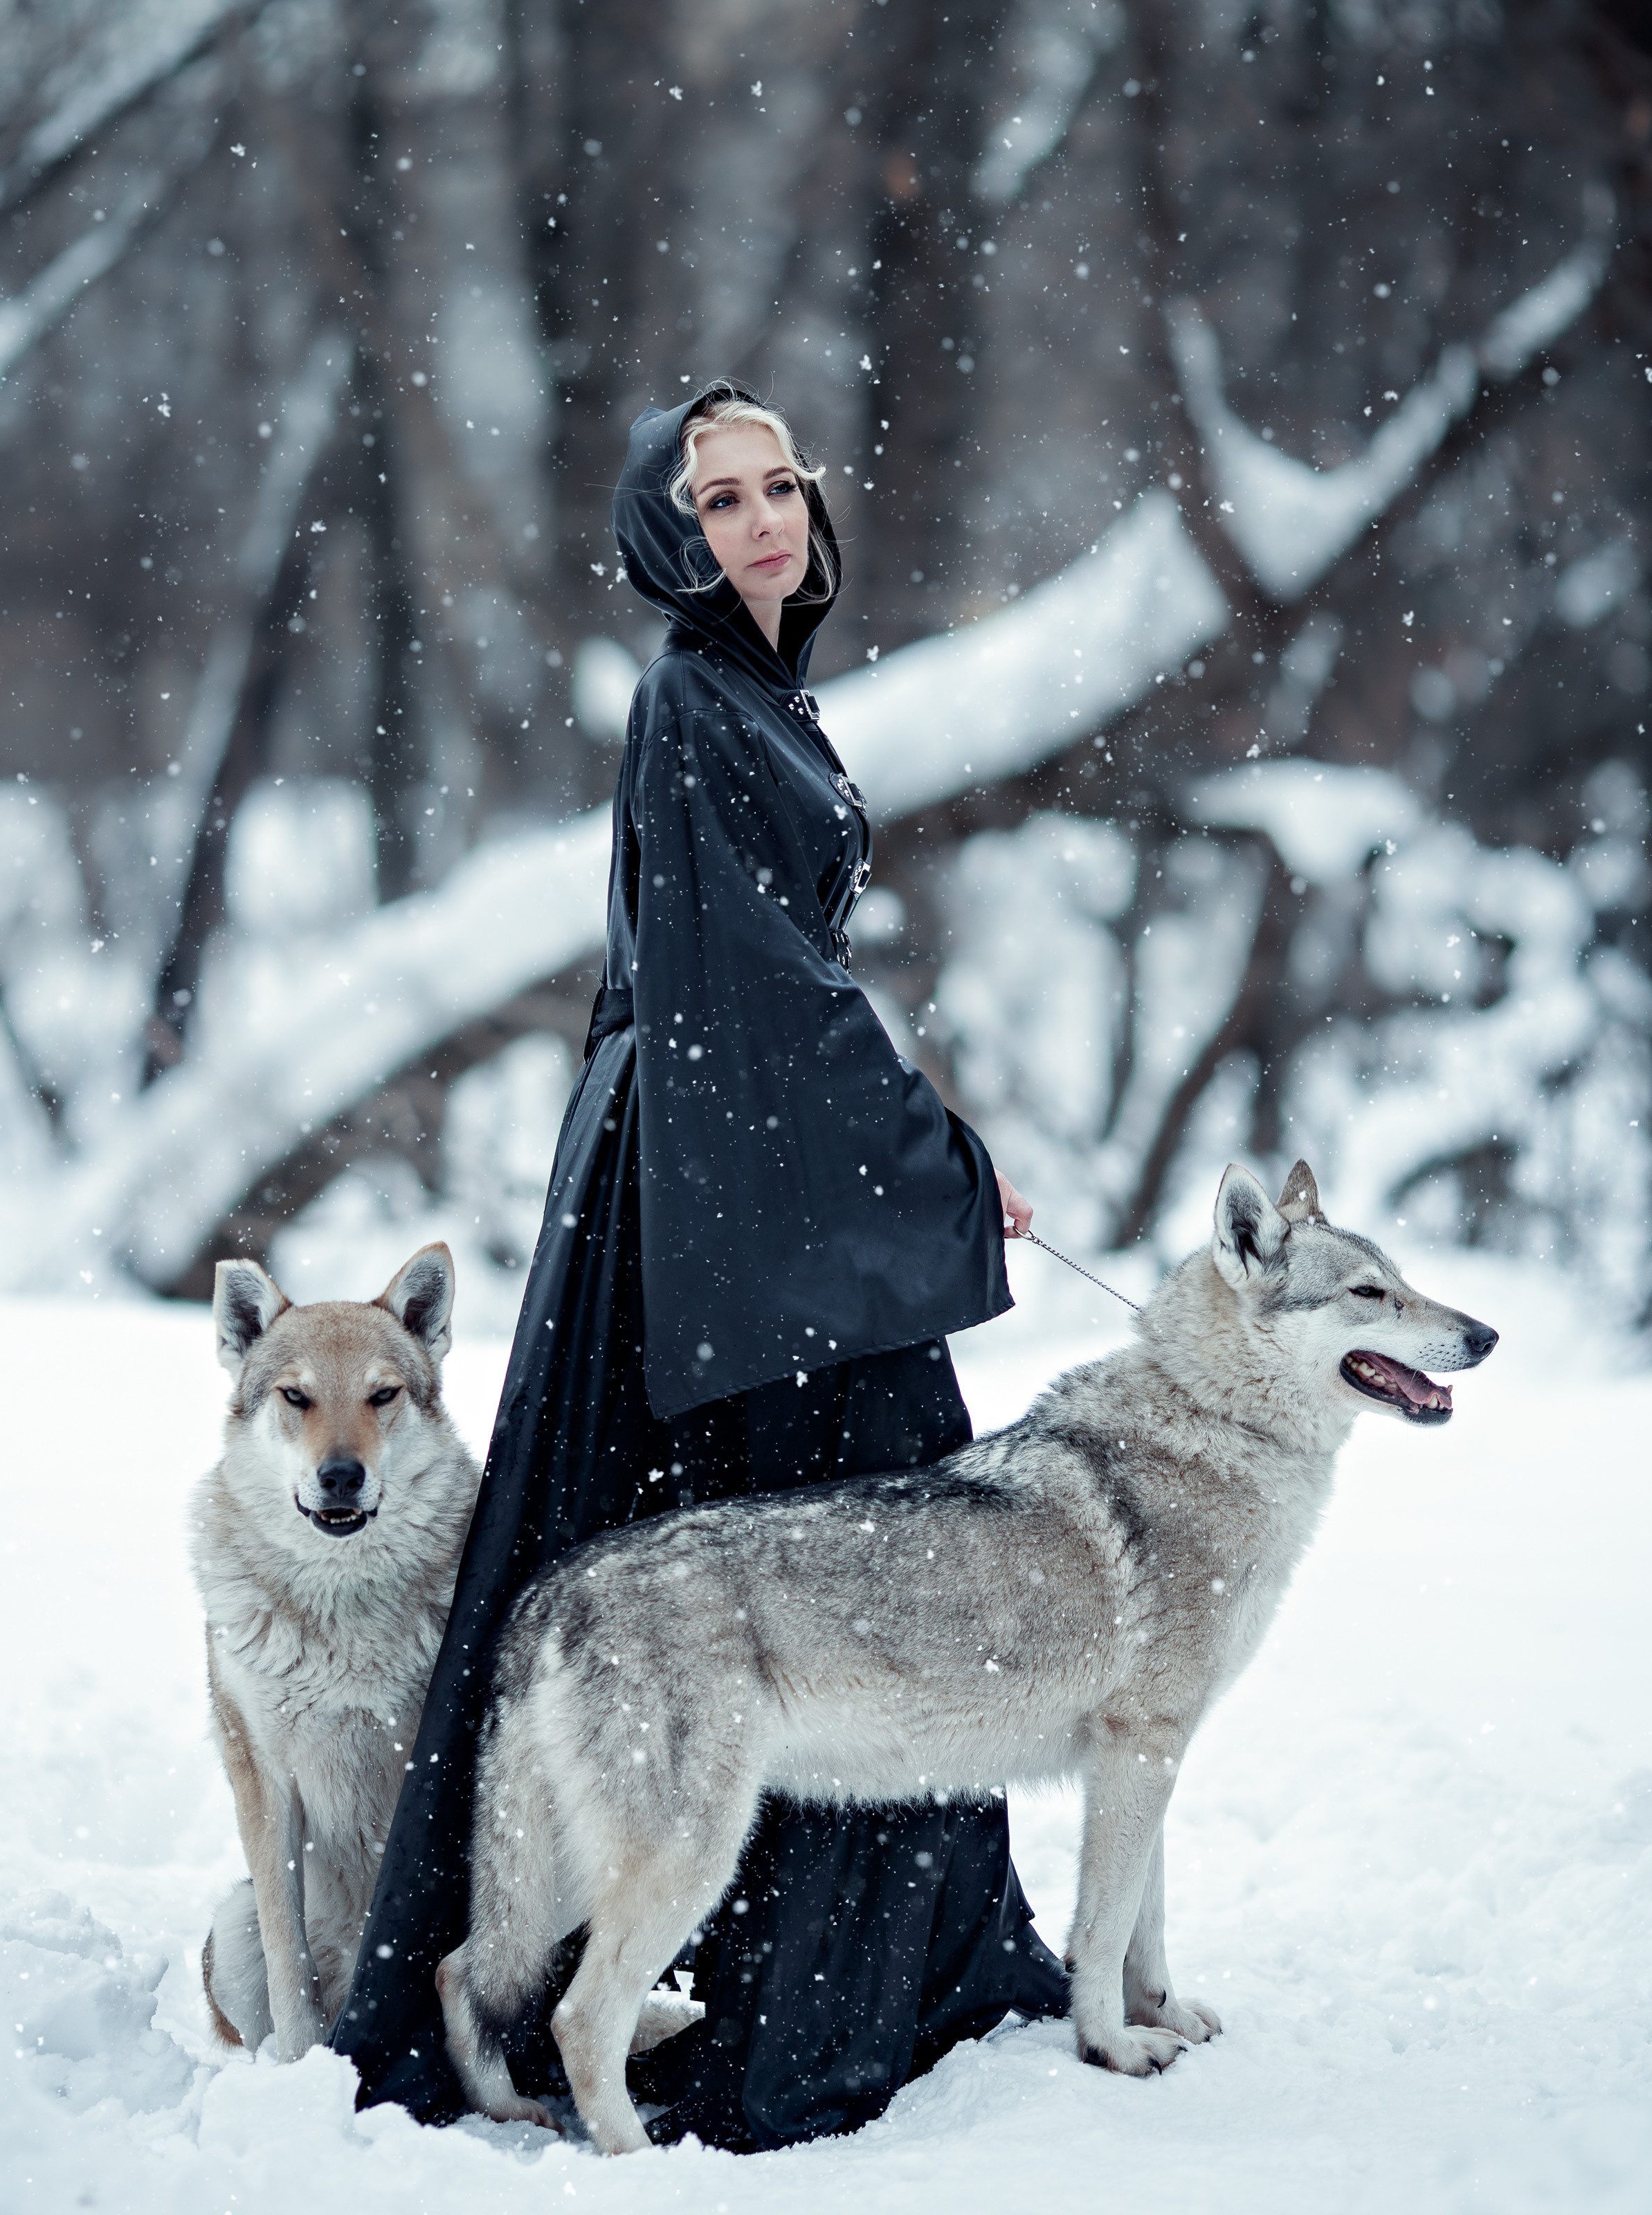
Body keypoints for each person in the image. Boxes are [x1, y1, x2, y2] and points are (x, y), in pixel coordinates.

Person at [331, 377, 1070, 2151]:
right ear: (667, 533)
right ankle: (780, 1995)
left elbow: (775, 989)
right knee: (822, 1562)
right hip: (709, 1181)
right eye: (717, 497)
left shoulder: (753, 691)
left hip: (734, 1166)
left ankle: (850, 1963)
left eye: (776, 489)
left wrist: (906, 1161)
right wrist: (938, 1170)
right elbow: (762, 989)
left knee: (831, 1566)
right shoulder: (690, 698)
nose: (758, 521)